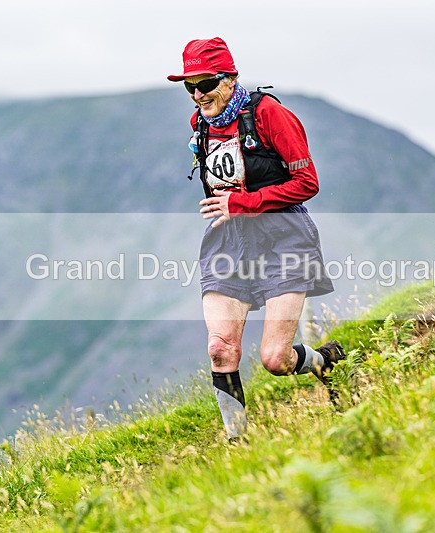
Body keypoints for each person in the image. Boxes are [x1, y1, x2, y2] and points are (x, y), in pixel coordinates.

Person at [168, 37, 345, 440]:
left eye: (205, 84)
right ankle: (237, 443)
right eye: (189, 87)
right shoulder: (200, 124)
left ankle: (326, 361)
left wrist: (242, 203)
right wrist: (230, 209)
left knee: (276, 359)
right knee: (220, 349)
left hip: (284, 238)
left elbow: (307, 183)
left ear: (230, 79)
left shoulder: (269, 114)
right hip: (227, 242)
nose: (197, 95)